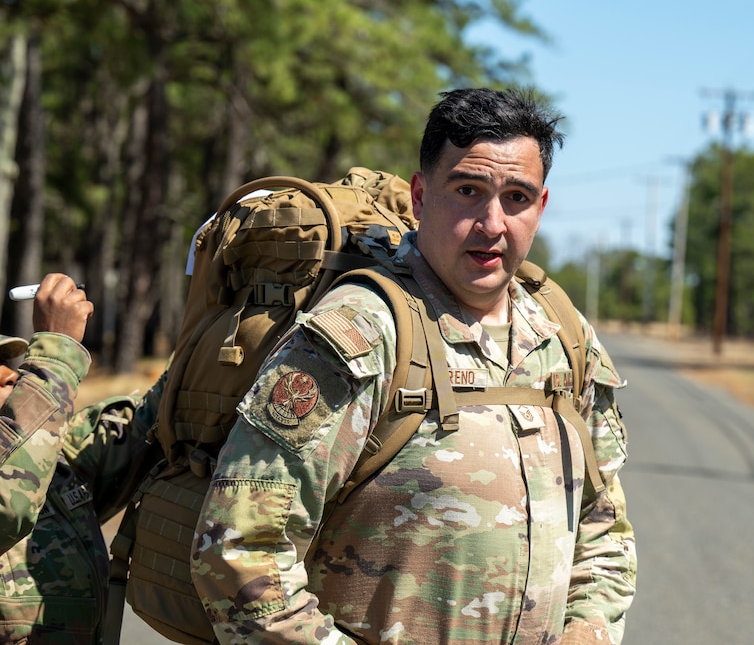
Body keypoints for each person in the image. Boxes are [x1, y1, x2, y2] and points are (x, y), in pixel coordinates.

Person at [191, 87, 636, 644]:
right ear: (421, 196)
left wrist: (586, 633)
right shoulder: (361, 333)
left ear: (541, 207)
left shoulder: (564, 335)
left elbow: (603, 529)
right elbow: (241, 551)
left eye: (516, 198)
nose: (492, 223)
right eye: (468, 191)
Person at [0, 273, 162, 644]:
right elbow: (9, 503)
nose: (11, 375)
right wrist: (56, 351)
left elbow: (156, 417)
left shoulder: (53, 457)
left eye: (11, 364)